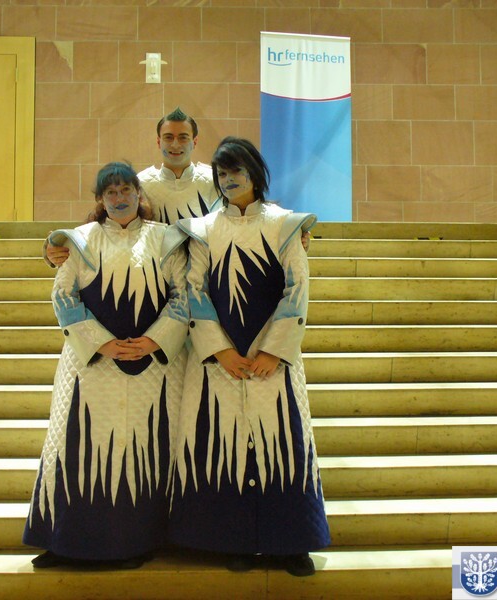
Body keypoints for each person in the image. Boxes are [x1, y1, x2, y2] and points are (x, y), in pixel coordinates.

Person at [169, 137, 330, 577]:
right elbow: (194, 290)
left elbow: (298, 288)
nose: (229, 179)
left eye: (237, 170)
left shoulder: (285, 224)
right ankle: (232, 541)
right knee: (223, 443)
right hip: (220, 362)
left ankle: (291, 545)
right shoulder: (203, 229)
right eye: (221, 173)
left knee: (285, 442)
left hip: (272, 360)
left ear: (256, 172)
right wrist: (219, 350)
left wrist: (275, 351)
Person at [23, 162, 189, 569]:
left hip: (152, 368)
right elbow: (64, 296)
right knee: (75, 445)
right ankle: (65, 542)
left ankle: (137, 543)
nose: (119, 198)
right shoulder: (81, 240)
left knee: (144, 450)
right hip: (90, 368)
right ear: (100, 199)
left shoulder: (166, 239)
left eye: (125, 190)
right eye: (110, 192)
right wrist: (101, 343)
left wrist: (153, 340)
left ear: (138, 193)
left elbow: (184, 295)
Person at [44, 107, 218, 268]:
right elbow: (107, 226)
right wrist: (56, 247)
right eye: (168, 137)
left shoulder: (214, 182)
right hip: (157, 274)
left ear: (195, 141)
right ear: (158, 142)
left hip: (207, 273)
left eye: (183, 137)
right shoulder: (141, 183)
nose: (175, 144)